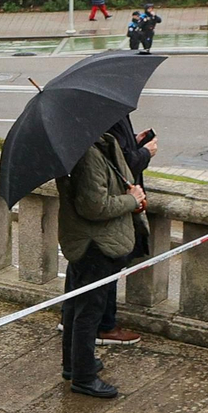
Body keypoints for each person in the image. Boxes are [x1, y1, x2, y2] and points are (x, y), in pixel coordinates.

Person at [57, 129, 149, 398]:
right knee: (88, 312)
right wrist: (131, 199)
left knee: (77, 306)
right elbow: (93, 206)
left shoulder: (100, 144)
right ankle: (84, 377)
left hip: (90, 242)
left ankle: (74, 364)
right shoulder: (86, 154)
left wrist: (131, 196)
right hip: (93, 245)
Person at [91, 114, 161, 352]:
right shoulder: (104, 114)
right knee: (107, 267)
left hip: (90, 230)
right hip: (109, 217)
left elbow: (114, 147)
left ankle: (76, 320)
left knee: (88, 272)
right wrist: (145, 153)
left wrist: (133, 140)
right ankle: (104, 326)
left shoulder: (99, 115)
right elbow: (117, 162)